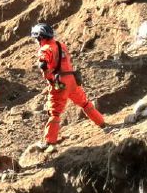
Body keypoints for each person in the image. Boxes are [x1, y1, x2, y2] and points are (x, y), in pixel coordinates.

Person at [32, 23, 106, 151]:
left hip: (60, 82)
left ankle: (50, 142)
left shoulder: (45, 49)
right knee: (85, 103)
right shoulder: (61, 45)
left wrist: (48, 76)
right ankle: (102, 123)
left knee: (54, 112)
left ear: (40, 37)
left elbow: (43, 64)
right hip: (72, 79)